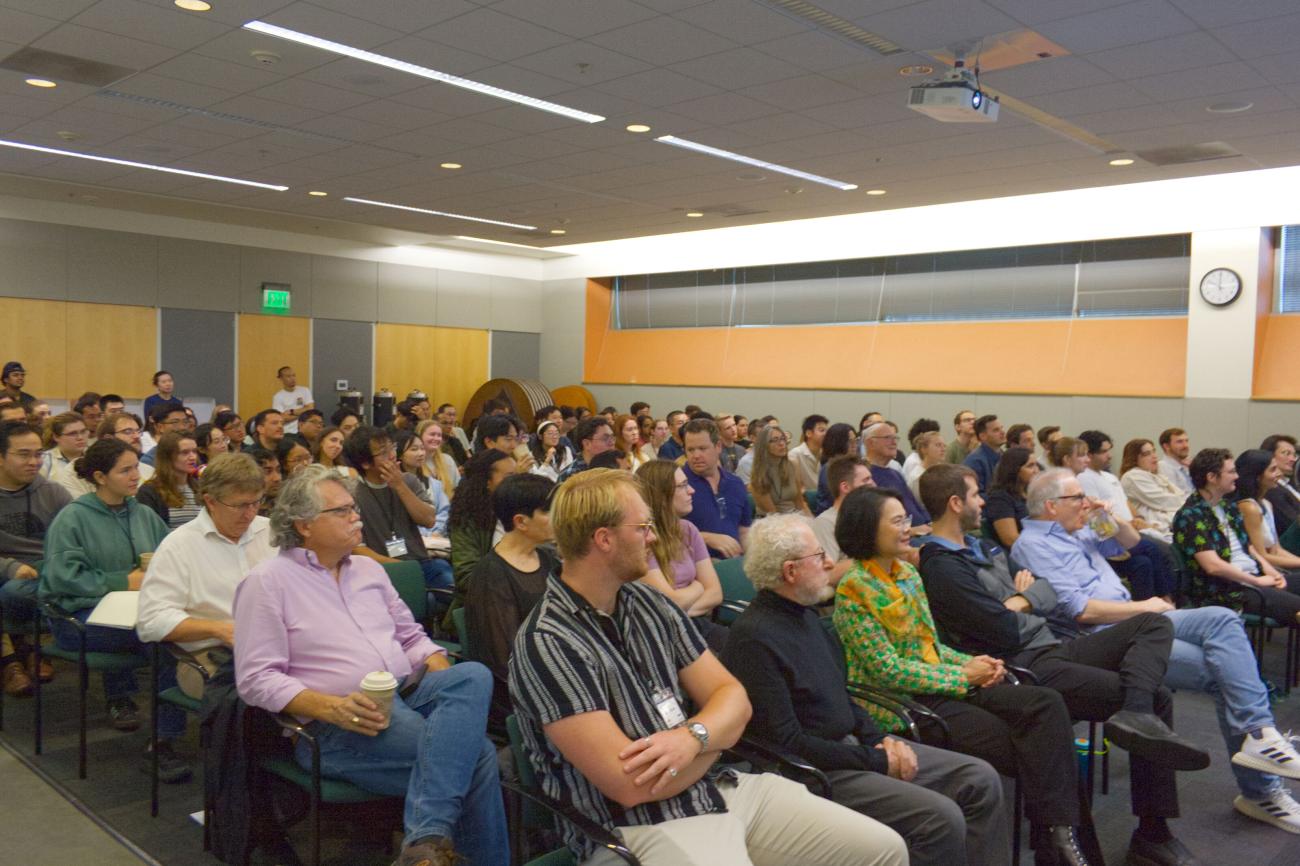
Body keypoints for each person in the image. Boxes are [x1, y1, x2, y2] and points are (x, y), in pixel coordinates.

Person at [509, 468, 907, 866]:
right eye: (644, 527)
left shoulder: (650, 604)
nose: (654, 536)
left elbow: (734, 698)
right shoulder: (548, 642)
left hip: (719, 789)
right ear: (604, 539)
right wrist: (716, 740)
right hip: (635, 827)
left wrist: (693, 738)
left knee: (883, 850)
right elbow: (631, 786)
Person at [916, 464, 1208, 866]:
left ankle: (1135, 713)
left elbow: (1046, 590)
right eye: (974, 494)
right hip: (1024, 664)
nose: (983, 500)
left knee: (1153, 623)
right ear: (954, 503)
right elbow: (1003, 629)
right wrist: (1026, 599)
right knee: (1157, 695)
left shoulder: (980, 547)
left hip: (1050, 645)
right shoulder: (943, 564)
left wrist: (1023, 600)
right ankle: (1152, 834)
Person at [233, 466, 507, 866]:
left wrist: (434, 661)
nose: (356, 517)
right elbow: (256, 680)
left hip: (406, 693)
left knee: (472, 676)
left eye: (354, 508)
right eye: (342, 511)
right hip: (338, 722)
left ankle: (427, 837)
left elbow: (412, 637)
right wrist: (331, 707)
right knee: (477, 756)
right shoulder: (268, 582)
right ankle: (431, 840)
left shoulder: (368, 570)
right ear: (304, 525)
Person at [1014, 468, 1300, 833]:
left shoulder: (1081, 529)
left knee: (1223, 620)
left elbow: (1132, 544)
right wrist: (1145, 606)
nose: (1086, 502)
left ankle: (1259, 735)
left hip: (1142, 620)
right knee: (1223, 673)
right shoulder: (1033, 545)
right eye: (1078, 498)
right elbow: (1082, 611)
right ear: (1052, 507)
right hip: (1111, 636)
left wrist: (1107, 516)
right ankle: (1260, 790)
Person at [724, 514, 1009, 866]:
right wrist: (877, 759)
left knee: (979, 779)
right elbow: (788, 743)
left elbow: (842, 695)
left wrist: (878, 740)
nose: (830, 563)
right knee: (939, 817)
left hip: (856, 749)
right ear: (790, 572)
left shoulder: (807, 617)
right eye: (819, 557)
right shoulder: (754, 639)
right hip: (819, 770)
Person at [831, 486, 1093, 865]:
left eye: (907, 519)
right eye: (897, 521)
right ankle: (1057, 842)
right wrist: (961, 677)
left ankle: (1057, 837)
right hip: (904, 704)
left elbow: (930, 646)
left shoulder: (906, 573)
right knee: (1034, 746)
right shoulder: (853, 590)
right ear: (867, 529)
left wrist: (976, 663)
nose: (908, 528)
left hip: (942, 684)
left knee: (1044, 703)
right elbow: (887, 670)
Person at [39, 438, 188, 776]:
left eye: (137, 466)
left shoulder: (144, 514)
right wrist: (124, 581)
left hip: (133, 610)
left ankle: (172, 727)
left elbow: (173, 557)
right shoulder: (73, 518)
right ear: (99, 476)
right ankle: (162, 742)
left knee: (173, 633)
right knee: (164, 640)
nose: (137, 475)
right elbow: (63, 579)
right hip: (76, 618)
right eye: (126, 470)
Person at [137, 452, 274, 655]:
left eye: (256, 502)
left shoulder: (271, 532)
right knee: (272, 686)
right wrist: (218, 629)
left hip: (273, 644)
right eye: (239, 505)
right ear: (211, 502)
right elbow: (151, 621)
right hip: (215, 653)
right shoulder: (179, 545)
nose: (250, 513)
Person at [463, 473, 556, 732]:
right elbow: (505, 661)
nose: (559, 516)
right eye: (549, 511)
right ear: (521, 521)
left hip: (555, 671)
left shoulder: (549, 559)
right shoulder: (491, 575)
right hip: (522, 692)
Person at [1172, 449, 1300, 626]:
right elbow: (1213, 566)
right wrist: (1256, 581)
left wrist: (1273, 572)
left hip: (1254, 578)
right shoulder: (1190, 515)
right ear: (1212, 477)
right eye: (1231, 472)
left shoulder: (1229, 507)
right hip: (1226, 590)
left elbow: (1249, 548)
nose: (1237, 476)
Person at [0, 420, 72, 695]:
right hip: (9, 573)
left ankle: (31, 647)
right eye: (23, 454)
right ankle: (11, 661)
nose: (34, 462)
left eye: (38, 454)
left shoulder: (53, 492)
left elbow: (75, 539)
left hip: (46, 573)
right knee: (12, 589)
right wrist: (10, 567)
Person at [1076, 430, 1178, 601]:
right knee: (1159, 551)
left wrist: (1138, 517)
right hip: (1114, 534)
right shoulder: (1085, 478)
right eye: (1104, 452)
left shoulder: (1108, 476)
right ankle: (1166, 599)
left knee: (1143, 563)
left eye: (1110, 450)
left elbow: (1124, 501)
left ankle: (1150, 605)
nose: (1109, 456)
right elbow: (1095, 514)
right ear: (1090, 454)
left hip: (1130, 526)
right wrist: (1127, 524)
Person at [636, 460, 727, 650]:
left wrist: (680, 609)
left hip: (694, 624)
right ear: (661, 495)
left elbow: (715, 593)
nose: (692, 490)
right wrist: (698, 586)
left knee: (750, 651)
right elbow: (669, 603)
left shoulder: (688, 530)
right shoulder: (644, 539)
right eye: (683, 485)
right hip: (664, 637)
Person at [343, 426, 447, 591]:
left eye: (392, 447)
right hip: (382, 570)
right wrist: (404, 569)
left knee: (453, 584)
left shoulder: (408, 480)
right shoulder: (351, 494)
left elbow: (429, 520)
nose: (392, 455)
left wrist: (399, 485)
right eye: (384, 452)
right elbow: (357, 549)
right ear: (365, 463)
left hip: (420, 562)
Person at [448, 448, 515, 615]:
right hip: (482, 610)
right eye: (509, 478)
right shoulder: (468, 520)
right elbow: (467, 577)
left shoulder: (520, 514)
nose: (516, 483)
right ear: (487, 482)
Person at [680, 418, 754, 560]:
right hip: (694, 565)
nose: (696, 456)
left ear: (718, 446)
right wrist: (705, 538)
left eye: (702, 448)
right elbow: (662, 532)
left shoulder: (735, 484)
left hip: (734, 563)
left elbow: (744, 530)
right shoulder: (676, 484)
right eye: (690, 450)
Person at [52, 413, 155, 498]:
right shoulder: (74, 470)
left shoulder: (149, 470)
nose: (136, 436)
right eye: (127, 432)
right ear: (108, 438)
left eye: (138, 431)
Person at [1234, 449, 1300, 575]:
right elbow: (1261, 556)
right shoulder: (1249, 507)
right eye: (1273, 470)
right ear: (1257, 476)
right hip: (1261, 571)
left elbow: (1277, 549)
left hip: (1276, 567)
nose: (1279, 474)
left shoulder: (1266, 504)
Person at [811, 455, 874, 583]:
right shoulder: (826, 523)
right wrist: (876, 555)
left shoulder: (870, 516)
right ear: (845, 487)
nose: (873, 484)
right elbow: (827, 576)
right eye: (866, 480)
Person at [862, 422, 930, 533]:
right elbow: (875, 523)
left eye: (895, 438)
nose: (894, 442)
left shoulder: (895, 473)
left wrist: (930, 523)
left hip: (923, 531)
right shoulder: (865, 476)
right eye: (887, 438)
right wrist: (912, 531)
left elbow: (915, 506)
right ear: (870, 443)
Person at [1119, 438, 1185, 542]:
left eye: (1154, 451)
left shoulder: (1157, 476)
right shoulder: (1132, 476)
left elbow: (1181, 496)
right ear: (1134, 458)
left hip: (1170, 526)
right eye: (1147, 454)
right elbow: (1165, 501)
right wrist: (1187, 505)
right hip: (1156, 531)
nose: (1154, 456)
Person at [137, 432, 203, 529]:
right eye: (185, 452)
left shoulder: (199, 487)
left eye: (194, 451)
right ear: (168, 457)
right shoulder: (149, 492)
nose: (192, 457)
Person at [395, 430, 451, 543]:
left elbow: (443, 513)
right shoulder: (395, 484)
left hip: (435, 539)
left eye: (422, 448)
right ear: (400, 454)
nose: (421, 453)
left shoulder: (434, 484)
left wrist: (436, 532)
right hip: (408, 541)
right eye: (414, 449)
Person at [749, 424, 810, 517]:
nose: (781, 443)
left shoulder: (792, 464)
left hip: (794, 516)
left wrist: (811, 522)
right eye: (775, 440)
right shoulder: (759, 474)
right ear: (764, 445)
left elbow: (799, 503)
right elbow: (773, 513)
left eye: (782, 439)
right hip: (771, 521)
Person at [983, 446, 1038, 549]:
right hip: (1021, 555)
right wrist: (1042, 548)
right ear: (1015, 469)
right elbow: (1010, 539)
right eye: (1030, 466)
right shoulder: (999, 498)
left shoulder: (1031, 492)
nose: (1036, 470)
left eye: (1036, 465)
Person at [814, 422, 859, 513]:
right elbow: (843, 497)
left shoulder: (854, 465)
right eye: (850, 441)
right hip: (832, 515)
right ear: (838, 443)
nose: (854, 445)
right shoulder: (829, 468)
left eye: (856, 440)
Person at [556, 416, 614, 482]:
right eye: (605, 438)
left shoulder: (614, 466)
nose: (612, 443)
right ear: (587, 444)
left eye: (612, 437)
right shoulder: (571, 476)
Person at [1260, 434, 1300, 533]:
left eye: (1294, 455)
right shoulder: (1271, 488)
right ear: (1270, 455)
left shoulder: (1291, 483)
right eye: (1286, 453)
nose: (1293, 459)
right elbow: (1291, 521)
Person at [962, 414, 1005, 494]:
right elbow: (976, 495)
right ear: (983, 436)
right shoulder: (974, 461)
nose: (1002, 432)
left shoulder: (1005, 456)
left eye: (1001, 428)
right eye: (996, 430)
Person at [40, 411, 89, 479]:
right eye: (73, 433)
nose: (80, 437)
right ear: (56, 437)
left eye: (83, 431)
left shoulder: (95, 456)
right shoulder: (44, 460)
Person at [417, 419, 460, 493]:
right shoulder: (414, 462)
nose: (436, 438)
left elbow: (457, 487)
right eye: (432, 434)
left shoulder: (447, 460)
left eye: (439, 435)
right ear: (420, 436)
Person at [787, 414, 828, 492]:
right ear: (808, 433)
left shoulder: (825, 455)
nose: (826, 434)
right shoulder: (795, 454)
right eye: (821, 430)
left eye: (827, 431)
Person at [271, 366, 314, 435]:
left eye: (294, 375)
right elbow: (282, 419)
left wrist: (291, 412)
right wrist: (302, 413)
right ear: (281, 379)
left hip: (305, 431)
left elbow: (310, 409)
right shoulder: (278, 397)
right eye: (288, 376)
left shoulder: (305, 390)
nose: (292, 379)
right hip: (288, 432)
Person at [905, 429, 945, 499]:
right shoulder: (917, 477)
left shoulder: (941, 471)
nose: (943, 449)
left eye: (944, 445)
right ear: (924, 449)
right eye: (938, 445)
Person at [1157, 428, 1193, 494]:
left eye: (1186, 441)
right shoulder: (1163, 467)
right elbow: (1174, 497)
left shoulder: (1186, 466)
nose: (1185, 445)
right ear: (1166, 446)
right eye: (1180, 442)